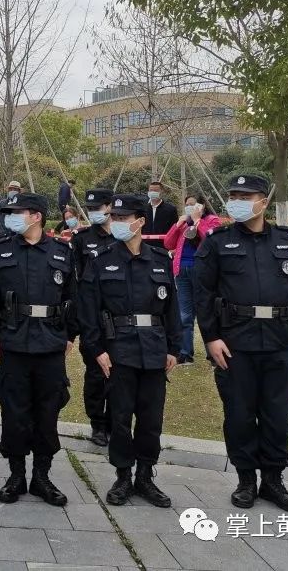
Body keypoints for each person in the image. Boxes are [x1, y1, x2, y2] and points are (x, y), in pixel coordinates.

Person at [194, 174, 288, 513]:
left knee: (278, 415)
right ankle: (246, 479)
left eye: (246, 196)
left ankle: (274, 481)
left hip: (279, 342)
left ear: (263, 200)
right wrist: (211, 338)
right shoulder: (217, 242)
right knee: (239, 414)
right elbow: (202, 293)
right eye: (233, 195)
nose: (238, 201)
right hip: (235, 344)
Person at [78, 194, 180, 509]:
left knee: (151, 419)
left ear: (140, 221)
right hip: (118, 348)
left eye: (124, 218)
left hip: (153, 349)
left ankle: (146, 476)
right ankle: (123, 476)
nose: (118, 223)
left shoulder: (160, 259)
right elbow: (89, 310)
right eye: (115, 218)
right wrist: (96, 350)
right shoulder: (102, 258)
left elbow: (172, 309)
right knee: (119, 417)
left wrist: (174, 348)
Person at [0, 193, 78, 506]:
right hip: (13, 340)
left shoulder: (62, 252)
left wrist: (69, 335)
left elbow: (73, 297)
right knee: (14, 410)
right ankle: (16, 475)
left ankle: (42, 476)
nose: (11, 217)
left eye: (17, 212)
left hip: (50, 343)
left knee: (48, 410)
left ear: (36, 216)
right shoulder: (2, 250)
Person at [70, 188, 115, 448]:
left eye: (98, 208)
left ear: (110, 206)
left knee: (119, 373)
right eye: (90, 209)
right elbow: (75, 279)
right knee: (96, 373)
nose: (94, 213)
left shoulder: (123, 234)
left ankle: (114, 422)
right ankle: (97, 424)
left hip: (119, 314)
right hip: (92, 314)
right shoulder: (82, 239)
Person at [163, 194, 221, 365]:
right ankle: (185, 352)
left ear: (202, 206)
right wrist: (178, 224)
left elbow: (210, 241)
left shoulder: (212, 220)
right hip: (182, 270)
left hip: (202, 271)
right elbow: (168, 243)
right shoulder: (184, 223)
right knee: (184, 314)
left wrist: (197, 221)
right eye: (187, 205)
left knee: (205, 311)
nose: (189, 208)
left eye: (193, 204)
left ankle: (213, 354)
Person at [143, 180, 177, 249]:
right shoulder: (143, 208)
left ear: (161, 192)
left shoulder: (170, 209)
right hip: (145, 245)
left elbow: (174, 229)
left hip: (163, 246)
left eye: (156, 190)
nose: (153, 192)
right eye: (151, 190)